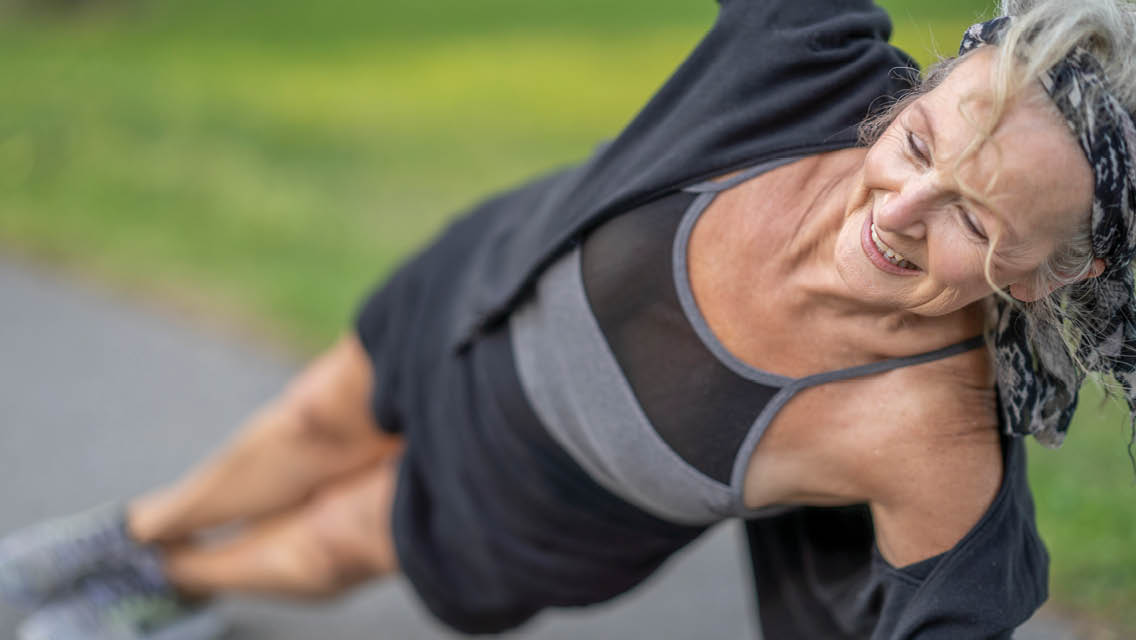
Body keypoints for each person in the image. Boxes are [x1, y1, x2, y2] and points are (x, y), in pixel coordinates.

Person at [3, 0, 1136, 637]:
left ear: (1047, 274)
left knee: (345, 533)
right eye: (919, 142)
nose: (899, 207)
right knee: (309, 424)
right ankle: (126, 537)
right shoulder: (807, 59)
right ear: (917, 93)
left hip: (543, 510)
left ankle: (170, 589)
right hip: (478, 293)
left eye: (971, 219)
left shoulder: (932, 439)